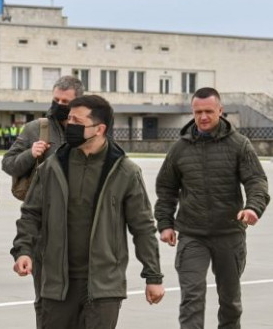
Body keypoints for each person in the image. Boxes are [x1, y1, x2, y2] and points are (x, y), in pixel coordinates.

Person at [12, 95, 164, 329]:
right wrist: (23, 251)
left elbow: (143, 227)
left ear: (99, 129)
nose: (69, 125)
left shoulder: (125, 172)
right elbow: (31, 214)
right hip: (57, 285)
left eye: (77, 121)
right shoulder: (51, 167)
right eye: (69, 119)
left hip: (103, 286)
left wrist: (153, 276)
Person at [155, 87, 269, 329]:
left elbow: (256, 180)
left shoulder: (239, 144)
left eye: (208, 111)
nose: (203, 117)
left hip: (229, 234)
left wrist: (253, 208)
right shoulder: (179, 149)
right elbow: (166, 189)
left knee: (230, 302)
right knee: (191, 299)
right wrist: (165, 224)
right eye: (198, 112)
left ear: (220, 110)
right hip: (192, 235)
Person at [2, 74, 84, 328]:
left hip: (80, 228)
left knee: (81, 301)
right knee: (47, 300)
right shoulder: (36, 129)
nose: (59, 105)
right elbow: (8, 164)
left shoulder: (88, 129)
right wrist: (30, 153)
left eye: (65, 102)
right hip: (44, 228)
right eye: (56, 99)